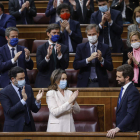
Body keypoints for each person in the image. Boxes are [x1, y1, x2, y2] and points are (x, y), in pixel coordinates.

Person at [0, 66, 44, 132]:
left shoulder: (28, 88)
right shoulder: (4, 92)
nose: (23, 80)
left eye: (24, 78)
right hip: (14, 129)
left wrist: (37, 101)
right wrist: (23, 100)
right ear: (13, 79)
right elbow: (9, 112)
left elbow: (34, 109)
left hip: (29, 127)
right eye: (20, 78)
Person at [106, 64, 140, 138]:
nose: (116, 79)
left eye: (119, 77)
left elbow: (131, 114)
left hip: (130, 133)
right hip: (122, 131)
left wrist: (117, 128)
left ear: (127, 78)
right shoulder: (123, 89)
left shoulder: (133, 92)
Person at [35, 24, 69, 88]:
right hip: (44, 81)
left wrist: (60, 55)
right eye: (54, 33)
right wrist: (47, 56)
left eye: (58, 33)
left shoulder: (64, 48)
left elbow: (65, 66)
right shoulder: (41, 48)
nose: (56, 34)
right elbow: (39, 67)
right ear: (48, 34)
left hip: (60, 81)